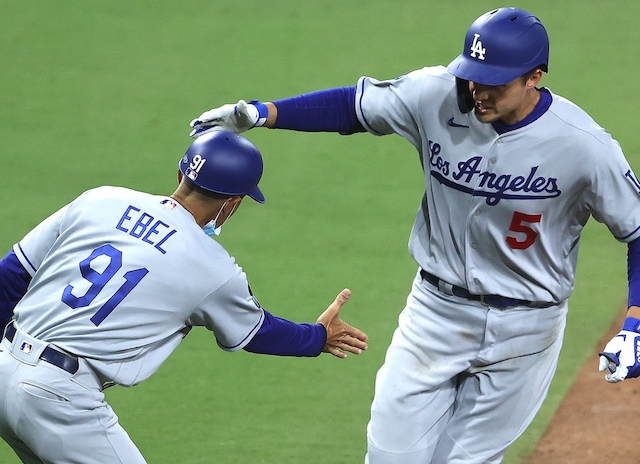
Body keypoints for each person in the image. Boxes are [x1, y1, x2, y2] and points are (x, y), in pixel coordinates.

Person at [187, 7, 640, 464]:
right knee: (387, 457)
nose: (477, 92)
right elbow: (353, 107)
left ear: (534, 77)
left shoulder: (585, 146)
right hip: (435, 314)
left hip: (526, 329)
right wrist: (261, 113)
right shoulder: (436, 94)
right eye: (472, 77)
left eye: (494, 83)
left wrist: (635, 321)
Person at [0, 130, 369, 464]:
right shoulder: (212, 267)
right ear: (233, 203)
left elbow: (11, 275)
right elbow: (257, 332)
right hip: (59, 399)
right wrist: (318, 337)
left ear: (181, 175)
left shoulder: (100, 200)